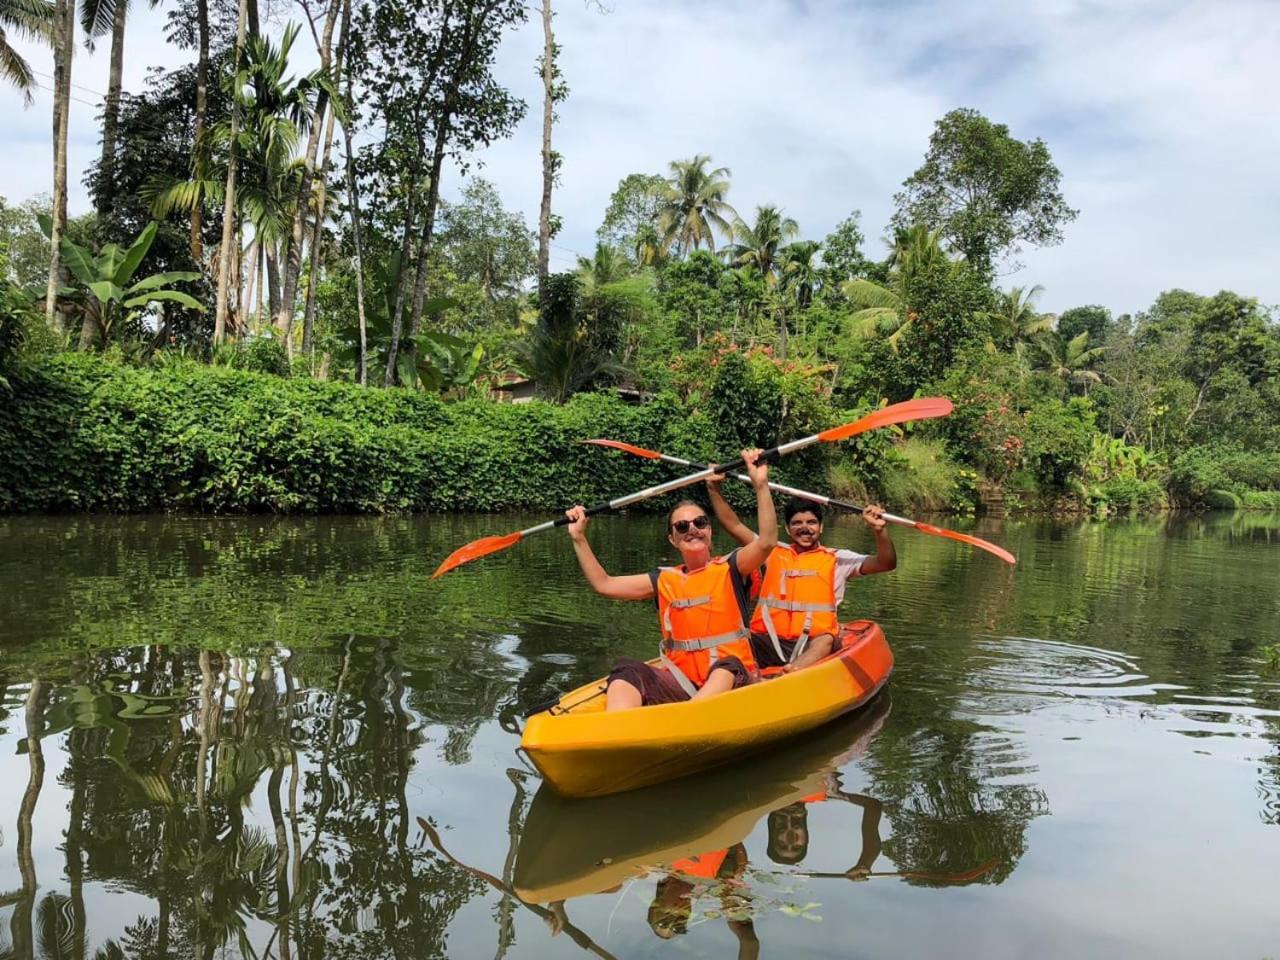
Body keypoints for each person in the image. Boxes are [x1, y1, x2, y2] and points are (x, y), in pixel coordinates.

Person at [564, 449, 776, 710]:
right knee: (626, 670)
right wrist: (579, 538)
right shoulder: (663, 579)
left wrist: (761, 484)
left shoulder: (733, 567)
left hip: (732, 678)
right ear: (672, 539)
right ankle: (616, 728)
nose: (692, 529)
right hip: (683, 680)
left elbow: (766, 542)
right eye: (682, 526)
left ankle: (688, 718)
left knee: (727, 666)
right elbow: (604, 584)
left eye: (700, 522)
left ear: (709, 530)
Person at [707, 479, 896, 671]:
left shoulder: (838, 559)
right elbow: (734, 525)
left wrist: (879, 530)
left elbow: (885, 563)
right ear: (788, 529)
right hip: (767, 639)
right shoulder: (770, 551)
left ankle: (792, 673)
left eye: (811, 522)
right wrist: (714, 488)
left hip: (813, 643)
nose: (804, 528)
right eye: (797, 523)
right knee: (736, 636)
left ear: (821, 527)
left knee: (825, 639)